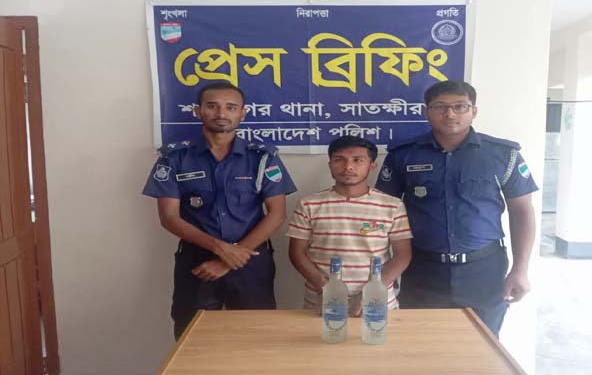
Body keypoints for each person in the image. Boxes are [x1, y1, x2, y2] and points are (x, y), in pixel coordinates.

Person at [375, 80, 537, 336]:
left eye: (460, 106)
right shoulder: (403, 155)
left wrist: (520, 269)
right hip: (423, 270)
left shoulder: (504, 155)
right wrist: (387, 270)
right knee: (420, 344)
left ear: (474, 111)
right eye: (440, 107)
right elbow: (383, 213)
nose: (450, 114)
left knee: (481, 346)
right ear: (427, 112)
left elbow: (523, 212)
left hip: (484, 270)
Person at [143, 82, 296, 339]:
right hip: (197, 262)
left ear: (242, 114)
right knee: (193, 340)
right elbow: (169, 217)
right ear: (198, 111)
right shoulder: (175, 158)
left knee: (256, 338)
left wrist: (229, 258)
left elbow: (277, 214)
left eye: (231, 107)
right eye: (212, 106)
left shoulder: (262, 158)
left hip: (251, 261)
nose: (221, 113)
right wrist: (222, 250)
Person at [287, 136, 412, 315]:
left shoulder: (392, 205)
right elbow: (297, 253)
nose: (348, 167)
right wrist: (325, 288)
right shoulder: (309, 204)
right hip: (322, 302)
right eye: (339, 160)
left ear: (372, 166)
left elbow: (403, 255)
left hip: (377, 303)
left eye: (358, 160)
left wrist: (372, 291)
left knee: (379, 334)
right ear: (330, 164)